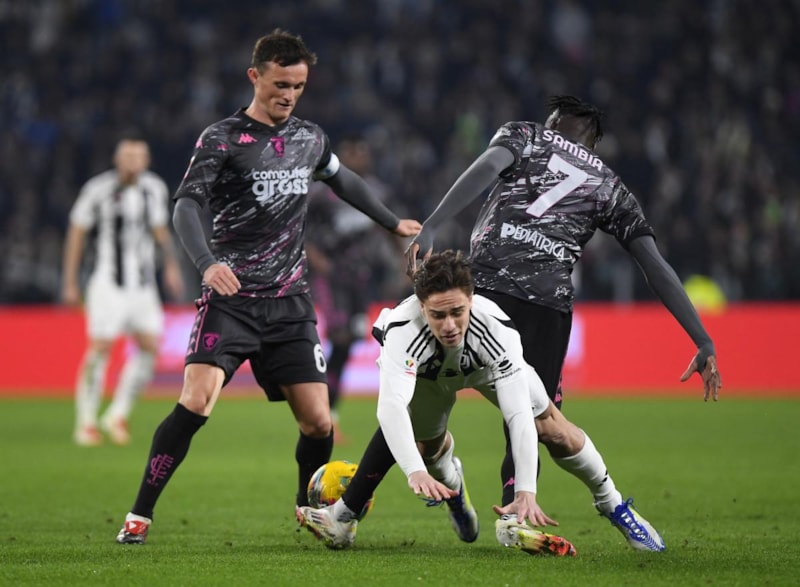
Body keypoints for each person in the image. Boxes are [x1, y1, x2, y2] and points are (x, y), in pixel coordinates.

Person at [114, 29, 420, 545]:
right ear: (255, 76)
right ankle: (139, 515)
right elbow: (186, 205)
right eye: (281, 84)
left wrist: (391, 222)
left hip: (289, 302)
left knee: (319, 422)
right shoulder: (222, 138)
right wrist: (206, 263)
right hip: (231, 299)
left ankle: (309, 510)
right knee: (197, 401)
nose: (289, 95)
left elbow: (343, 180)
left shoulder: (310, 138)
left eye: (298, 86)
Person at [405, 95, 722, 514]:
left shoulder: (527, 135)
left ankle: (366, 497)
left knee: (420, 383)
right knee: (535, 418)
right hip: (547, 308)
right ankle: (514, 511)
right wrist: (702, 340)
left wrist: (432, 225)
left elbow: (484, 169)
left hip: (486, 288)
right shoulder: (609, 185)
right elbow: (653, 266)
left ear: (553, 122)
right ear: (594, 142)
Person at [298, 250, 665, 554]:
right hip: (428, 377)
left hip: (484, 368)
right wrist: (415, 471)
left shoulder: (496, 329)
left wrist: (526, 490)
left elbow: (518, 415)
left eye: (457, 312)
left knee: (552, 428)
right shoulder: (402, 331)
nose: (449, 325)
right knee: (427, 449)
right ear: (421, 307)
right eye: (438, 315)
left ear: (471, 300)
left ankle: (614, 504)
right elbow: (391, 408)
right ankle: (454, 489)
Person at [62, 133, 185, 447]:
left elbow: (160, 230)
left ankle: (116, 414)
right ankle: (86, 422)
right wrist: (70, 281)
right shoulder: (97, 190)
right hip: (107, 282)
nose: (133, 162)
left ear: (147, 160)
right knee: (100, 347)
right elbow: (77, 232)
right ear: (117, 160)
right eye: (128, 156)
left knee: (149, 347)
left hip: (142, 285)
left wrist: (171, 267)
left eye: (138, 156)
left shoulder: (153, 188)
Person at [306, 134, 410, 444]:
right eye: (353, 151)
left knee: (349, 342)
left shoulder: (377, 192)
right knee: (339, 339)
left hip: (361, 278)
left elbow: (389, 226)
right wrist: (315, 258)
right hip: (331, 277)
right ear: (343, 154)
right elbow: (297, 226)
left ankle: (327, 413)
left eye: (362, 152)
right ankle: (324, 415)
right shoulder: (321, 193)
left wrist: (403, 260)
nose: (359, 157)